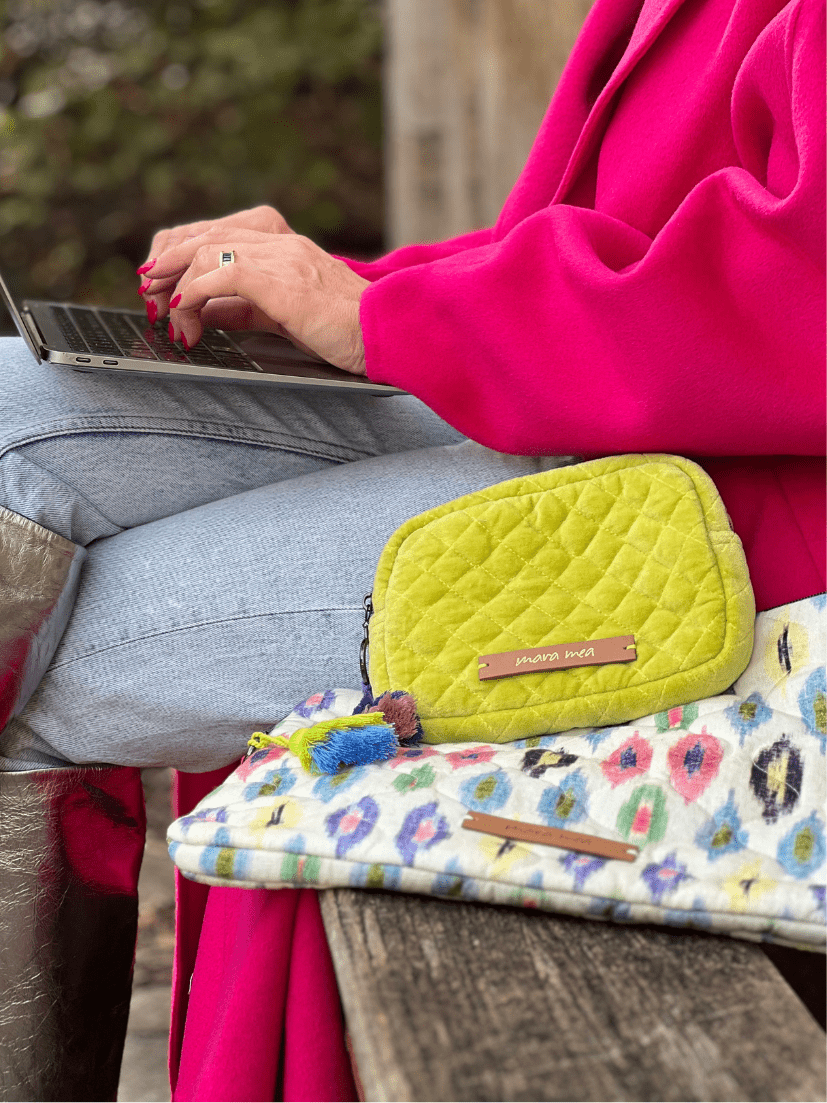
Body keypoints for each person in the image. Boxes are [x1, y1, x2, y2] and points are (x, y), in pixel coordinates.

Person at [1, 0, 823, 1097]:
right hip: (595, 404)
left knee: (56, 665)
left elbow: (792, 289)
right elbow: (597, 228)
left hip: (719, 513)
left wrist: (385, 318)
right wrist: (345, 288)